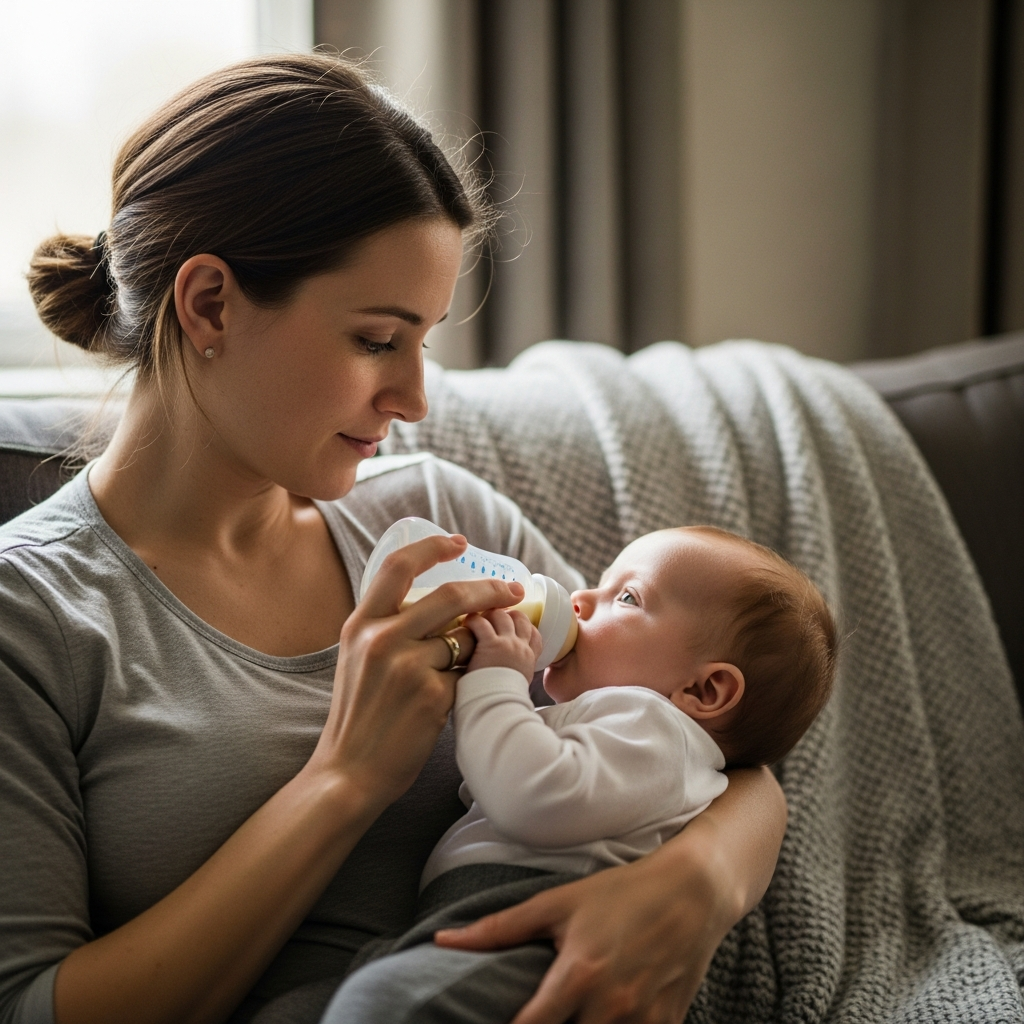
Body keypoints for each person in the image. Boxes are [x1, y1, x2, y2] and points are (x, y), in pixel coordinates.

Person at [0, 54, 787, 1024]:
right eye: (378, 339)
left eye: (425, 341)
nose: (414, 398)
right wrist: (346, 777)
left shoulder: (447, 531)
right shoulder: (29, 620)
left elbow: (704, 745)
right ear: (209, 304)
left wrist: (698, 884)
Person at [321, 526, 836, 1023]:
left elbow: (533, 797)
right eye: (600, 580)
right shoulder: (613, 723)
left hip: (545, 945)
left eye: (628, 597)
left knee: (383, 1005)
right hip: (457, 928)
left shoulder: (655, 729)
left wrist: (495, 680)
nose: (580, 599)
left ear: (704, 691)